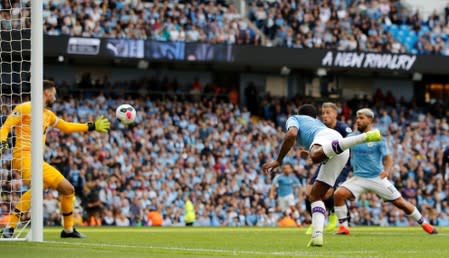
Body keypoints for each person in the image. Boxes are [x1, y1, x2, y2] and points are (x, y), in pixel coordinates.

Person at [0, 80, 110, 238]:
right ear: (47, 92)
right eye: (54, 93)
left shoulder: (48, 114)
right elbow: (5, 127)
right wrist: (2, 141)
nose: (55, 97)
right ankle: (10, 227)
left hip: (38, 161)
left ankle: (68, 230)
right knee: (38, 187)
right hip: (23, 156)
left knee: (68, 189)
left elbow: (66, 126)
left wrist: (91, 126)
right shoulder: (25, 107)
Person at [262, 104, 381, 247]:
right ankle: (317, 236)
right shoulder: (316, 124)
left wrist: (278, 160)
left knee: (315, 156)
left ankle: (363, 137)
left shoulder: (294, 118)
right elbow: (318, 148)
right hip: (338, 149)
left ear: (300, 114)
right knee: (315, 195)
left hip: (331, 141)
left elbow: (291, 134)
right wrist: (312, 153)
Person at [334, 108, 437, 235]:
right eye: (357, 118)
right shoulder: (352, 137)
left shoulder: (378, 138)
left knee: (401, 203)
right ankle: (343, 227)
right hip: (358, 178)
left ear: (370, 120)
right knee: (338, 194)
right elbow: (338, 149)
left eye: (361, 118)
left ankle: (425, 224)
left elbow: (388, 159)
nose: (358, 121)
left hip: (377, 178)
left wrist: (387, 171)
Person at [305, 102, 352, 234]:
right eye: (323, 113)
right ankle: (316, 221)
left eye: (328, 113)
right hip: (325, 162)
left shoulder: (343, 128)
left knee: (327, 192)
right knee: (309, 192)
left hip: (341, 164)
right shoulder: (321, 129)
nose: (324, 116)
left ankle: (332, 216)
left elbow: (352, 145)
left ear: (335, 114)